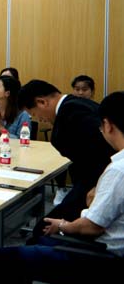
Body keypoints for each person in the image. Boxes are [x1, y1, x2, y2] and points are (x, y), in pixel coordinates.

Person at [0, 92, 124, 284]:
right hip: (107, 249)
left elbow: (92, 226)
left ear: (108, 125)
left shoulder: (118, 171)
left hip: (100, 255)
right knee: (38, 238)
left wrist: (62, 225)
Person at [19, 80, 115, 232]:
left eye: (34, 114)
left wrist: (99, 186)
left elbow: (105, 152)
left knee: (43, 229)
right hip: (95, 181)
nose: (38, 119)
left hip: (100, 185)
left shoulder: (72, 114)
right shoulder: (76, 104)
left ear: (42, 102)